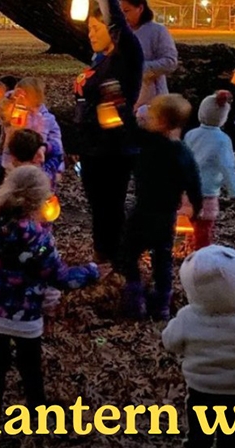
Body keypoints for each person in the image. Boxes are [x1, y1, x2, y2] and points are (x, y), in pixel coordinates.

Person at [0, 165, 105, 418]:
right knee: (30, 366)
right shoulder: (37, 238)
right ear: (39, 201)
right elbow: (61, 277)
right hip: (25, 316)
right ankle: (37, 412)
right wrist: (92, 271)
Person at [162, 245, 235, 448]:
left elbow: (170, 342)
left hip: (200, 389)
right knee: (232, 436)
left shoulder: (187, 317)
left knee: (199, 435)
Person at [119, 94, 202, 320]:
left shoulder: (148, 141)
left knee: (128, 252)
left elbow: (128, 128)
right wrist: (196, 206)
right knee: (162, 258)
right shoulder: (183, 154)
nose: (146, 119)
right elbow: (194, 182)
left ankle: (135, 296)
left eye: (151, 116)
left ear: (162, 122)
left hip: (143, 211)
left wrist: (117, 104)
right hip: (166, 216)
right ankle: (162, 301)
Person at [73, 0, 144, 265]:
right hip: (92, 146)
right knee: (99, 207)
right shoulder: (99, 61)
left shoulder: (126, 57)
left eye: (95, 28)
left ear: (111, 31)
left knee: (110, 207)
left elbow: (118, 20)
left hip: (114, 147)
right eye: (89, 28)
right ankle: (103, 254)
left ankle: (116, 261)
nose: (90, 33)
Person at [183, 91, 235, 250]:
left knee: (185, 221)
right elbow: (228, 166)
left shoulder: (190, 134)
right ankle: (201, 254)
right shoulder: (223, 140)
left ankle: (182, 248)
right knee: (204, 227)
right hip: (208, 191)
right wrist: (234, 190)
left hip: (187, 189)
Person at [0, 78, 64, 177]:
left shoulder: (46, 119)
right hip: (11, 164)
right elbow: (1, 109)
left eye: (26, 95)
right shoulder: (11, 111)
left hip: (36, 165)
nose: (22, 99)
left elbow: (57, 145)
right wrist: (11, 98)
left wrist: (44, 148)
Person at [120, 0, 178, 110]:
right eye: (120, 12)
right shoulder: (117, 33)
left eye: (126, 11)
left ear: (140, 8)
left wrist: (139, 68)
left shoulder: (157, 31)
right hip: (124, 103)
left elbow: (170, 62)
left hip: (153, 104)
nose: (123, 16)